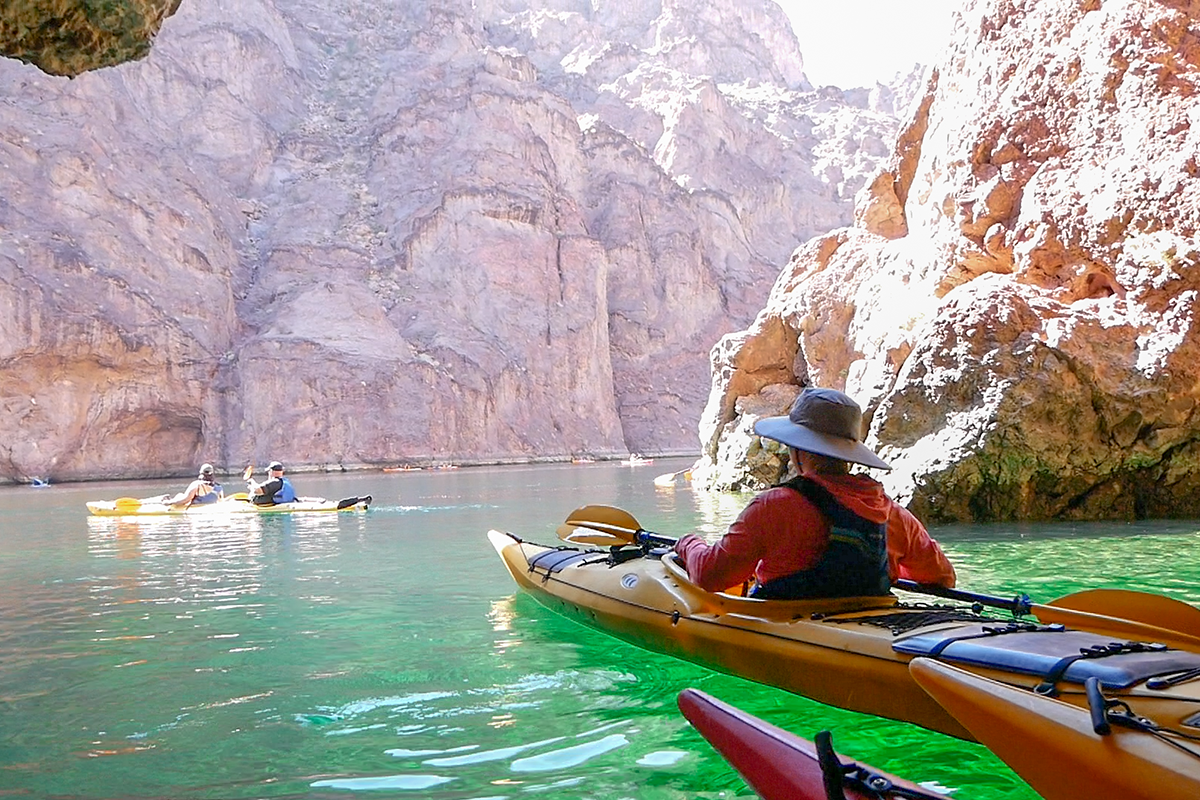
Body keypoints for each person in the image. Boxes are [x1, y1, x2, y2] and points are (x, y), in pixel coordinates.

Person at [674, 387, 956, 599]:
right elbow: (943, 577)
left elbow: (709, 576)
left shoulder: (774, 505)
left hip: (789, 629)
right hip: (870, 629)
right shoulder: (890, 512)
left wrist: (688, 543)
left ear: (797, 450)